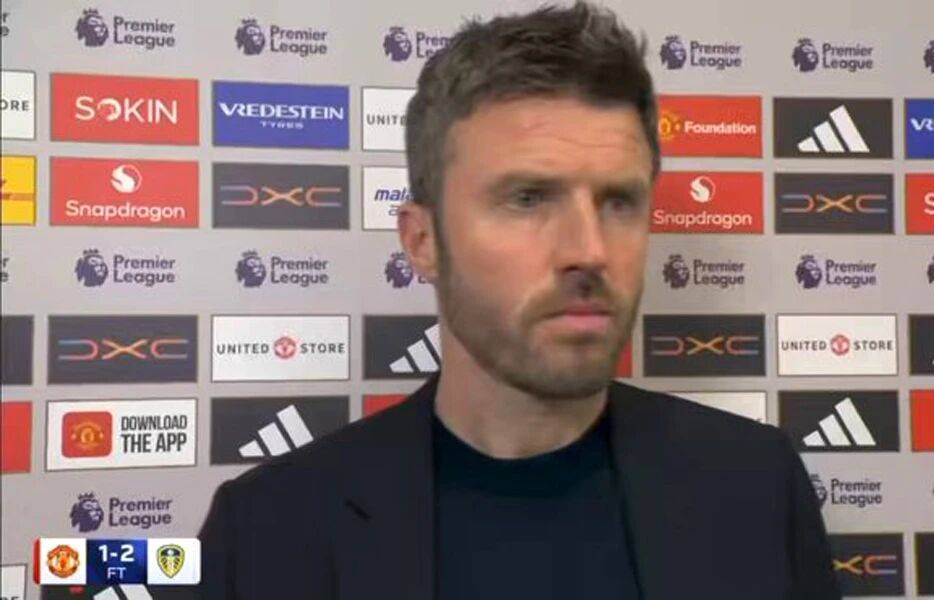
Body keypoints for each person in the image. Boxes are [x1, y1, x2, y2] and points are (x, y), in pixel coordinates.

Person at [198, 3, 839, 598]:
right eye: (528, 199)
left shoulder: (757, 486)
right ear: (423, 241)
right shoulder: (263, 534)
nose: (589, 250)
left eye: (619, 201)